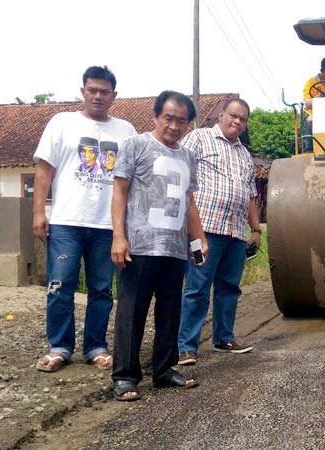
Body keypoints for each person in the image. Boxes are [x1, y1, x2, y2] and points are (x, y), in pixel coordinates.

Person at [32, 66, 137, 373]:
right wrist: (39, 211)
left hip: (108, 225)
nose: (98, 96)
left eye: (104, 91)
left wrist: (126, 227)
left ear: (114, 95)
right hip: (66, 221)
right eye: (92, 90)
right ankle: (60, 346)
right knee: (59, 284)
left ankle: (96, 345)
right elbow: (44, 170)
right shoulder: (61, 123)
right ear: (83, 91)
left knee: (102, 289)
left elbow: (131, 179)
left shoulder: (126, 131)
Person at [110, 90, 207, 401]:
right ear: (155, 116)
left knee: (170, 312)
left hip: (174, 248)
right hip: (139, 246)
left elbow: (188, 201)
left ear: (189, 124)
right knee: (131, 313)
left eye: (182, 121)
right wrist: (118, 236)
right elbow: (119, 193)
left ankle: (164, 370)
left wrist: (199, 237)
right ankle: (125, 376)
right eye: (169, 118)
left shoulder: (187, 156)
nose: (175, 126)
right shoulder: (136, 145)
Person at [177, 98, 261, 365]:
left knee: (229, 287)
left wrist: (256, 229)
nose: (237, 121)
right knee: (197, 287)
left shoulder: (245, 154)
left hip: (235, 232)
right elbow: (181, 176)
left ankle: (224, 338)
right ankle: (186, 346)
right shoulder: (198, 139)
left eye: (243, 119)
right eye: (233, 116)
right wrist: (190, 229)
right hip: (204, 229)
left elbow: (250, 195)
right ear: (221, 115)